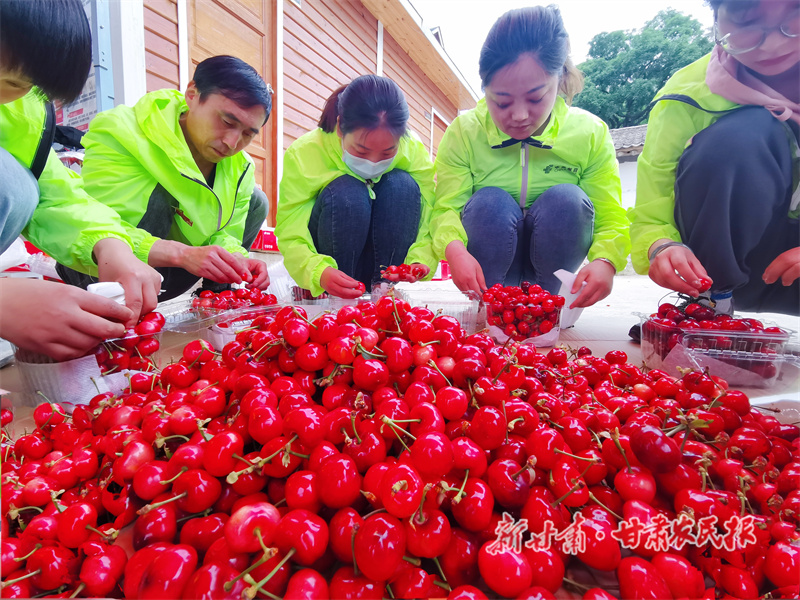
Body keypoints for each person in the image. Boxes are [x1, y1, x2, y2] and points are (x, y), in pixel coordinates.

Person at [430, 6, 630, 308]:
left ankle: (546, 303)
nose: (520, 116)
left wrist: (606, 260)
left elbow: (609, 213)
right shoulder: (464, 132)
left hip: (553, 263)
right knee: (488, 202)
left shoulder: (590, 132)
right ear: (484, 88)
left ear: (560, 79)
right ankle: (493, 303)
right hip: (491, 264)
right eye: (502, 102)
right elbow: (446, 207)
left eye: (536, 98)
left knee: (568, 200)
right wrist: (454, 250)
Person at [0, 0, 162, 361]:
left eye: (19, 84)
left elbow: (55, 196)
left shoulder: (21, 112)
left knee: (21, 185)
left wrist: (109, 244)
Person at [56, 55, 273, 301]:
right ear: (192, 94)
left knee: (257, 201)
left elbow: (225, 234)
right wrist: (182, 254)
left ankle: (217, 300)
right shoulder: (122, 131)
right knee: (159, 195)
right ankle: (123, 305)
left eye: (248, 134)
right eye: (226, 121)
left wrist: (236, 258)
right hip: (99, 265)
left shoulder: (240, 166)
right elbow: (97, 228)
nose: (232, 143)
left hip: (173, 269)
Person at [630, 0, 799, 315]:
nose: (774, 43)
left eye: (795, 17)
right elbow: (651, 212)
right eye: (747, 21)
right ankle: (713, 303)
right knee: (739, 137)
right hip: (745, 273)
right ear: (716, 19)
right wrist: (661, 245)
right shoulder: (685, 96)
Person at [276, 75, 437, 299]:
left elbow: (430, 212)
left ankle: (385, 289)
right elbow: (290, 229)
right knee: (347, 192)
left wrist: (420, 259)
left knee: (403, 185)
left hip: (383, 256)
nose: (373, 161)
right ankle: (337, 296)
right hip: (334, 258)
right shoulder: (305, 153)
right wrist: (317, 271)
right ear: (340, 128)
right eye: (361, 151)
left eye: (388, 152)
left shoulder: (412, 149)